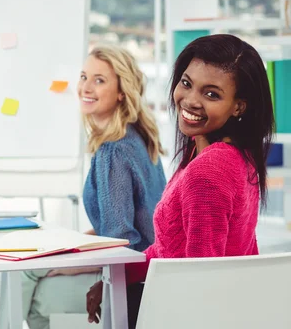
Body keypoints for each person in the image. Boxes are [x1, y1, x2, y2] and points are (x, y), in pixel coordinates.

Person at [86, 34, 275, 327]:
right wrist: (117, 279)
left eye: (211, 94)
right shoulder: (231, 156)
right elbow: (169, 248)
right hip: (223, 308)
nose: (190, 100)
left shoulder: (209, 171)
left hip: (181, 312)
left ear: (239, 106)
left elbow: (198, 279)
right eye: (186, 83)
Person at [22, 45, 167, 329]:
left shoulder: (113, 152)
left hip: (133, 276)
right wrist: (66, 246)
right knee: (34, 264)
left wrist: (63, 265)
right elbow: (122, 223)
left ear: (122, 91)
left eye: (99, 80)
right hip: (150, 268)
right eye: (84, 76)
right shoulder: (138, 136)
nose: (85, 88)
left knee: (26, 278)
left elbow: (120, 239)